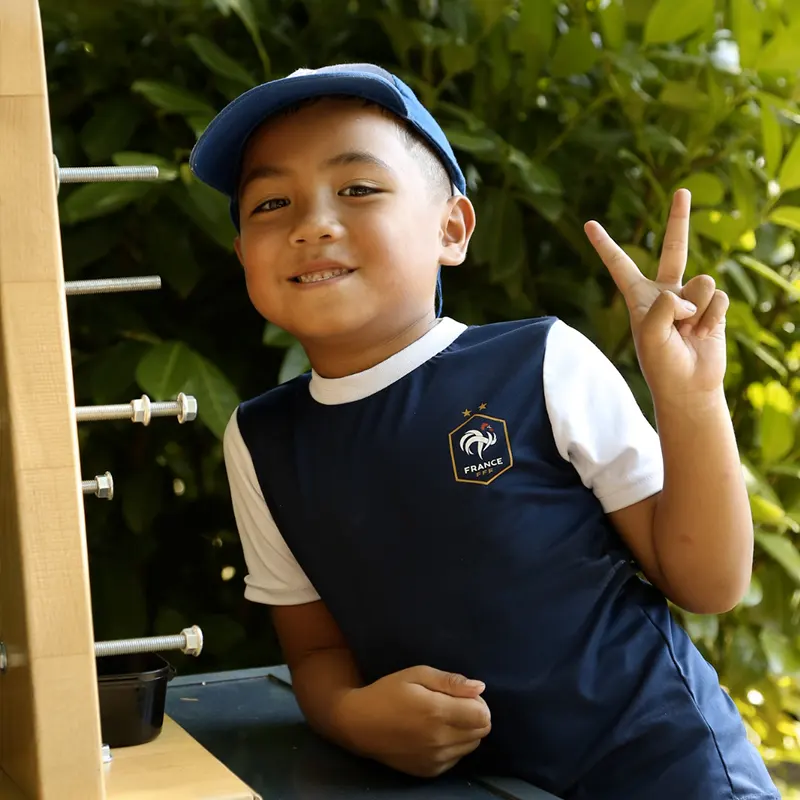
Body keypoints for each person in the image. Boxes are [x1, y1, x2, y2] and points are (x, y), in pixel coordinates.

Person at [190, 63, 780, 799]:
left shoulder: (540, 362)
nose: (312, 223)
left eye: (359, 188)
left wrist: (690, 397)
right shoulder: (261, 439)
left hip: (668, 771)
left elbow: (709, 581)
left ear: (452, 229)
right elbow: (313, 651)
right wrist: (350, 715)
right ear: (244, 254)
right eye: (271, 202)